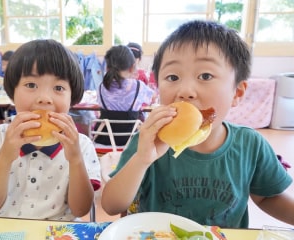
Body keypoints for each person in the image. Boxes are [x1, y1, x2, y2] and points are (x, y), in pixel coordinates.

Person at [101, 20, 294, 228]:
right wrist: (141, 160)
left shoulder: (250, 144)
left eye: (205, 75)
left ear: (237, 92)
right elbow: (111, 206)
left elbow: (267, 197)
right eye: (172, 77)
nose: (185, 91)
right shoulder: (148, 141)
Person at [0, 39, 101, 221]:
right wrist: (6, 155)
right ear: (12, 91)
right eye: (31, 85)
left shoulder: (82, 145)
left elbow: (80, 210)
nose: (44, 98)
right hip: (5, 230)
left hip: (57, 231)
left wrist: (76, 159)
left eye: (58, 87)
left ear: (72, 97)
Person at [95, 45, 155, 146]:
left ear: (107, 67)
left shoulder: (102, 86)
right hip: (130, 144)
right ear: (132, 67)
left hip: (102, 142)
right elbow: (152, 99)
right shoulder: (138, 86)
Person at [0, 50, 16, 125]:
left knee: (11, 116)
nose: (3, 67)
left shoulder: (18, 78)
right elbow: (1, 89)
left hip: (13, 104)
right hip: (4, 102)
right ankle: (0, 131)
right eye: (2, 65)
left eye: (6, 65)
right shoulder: (4, 77)